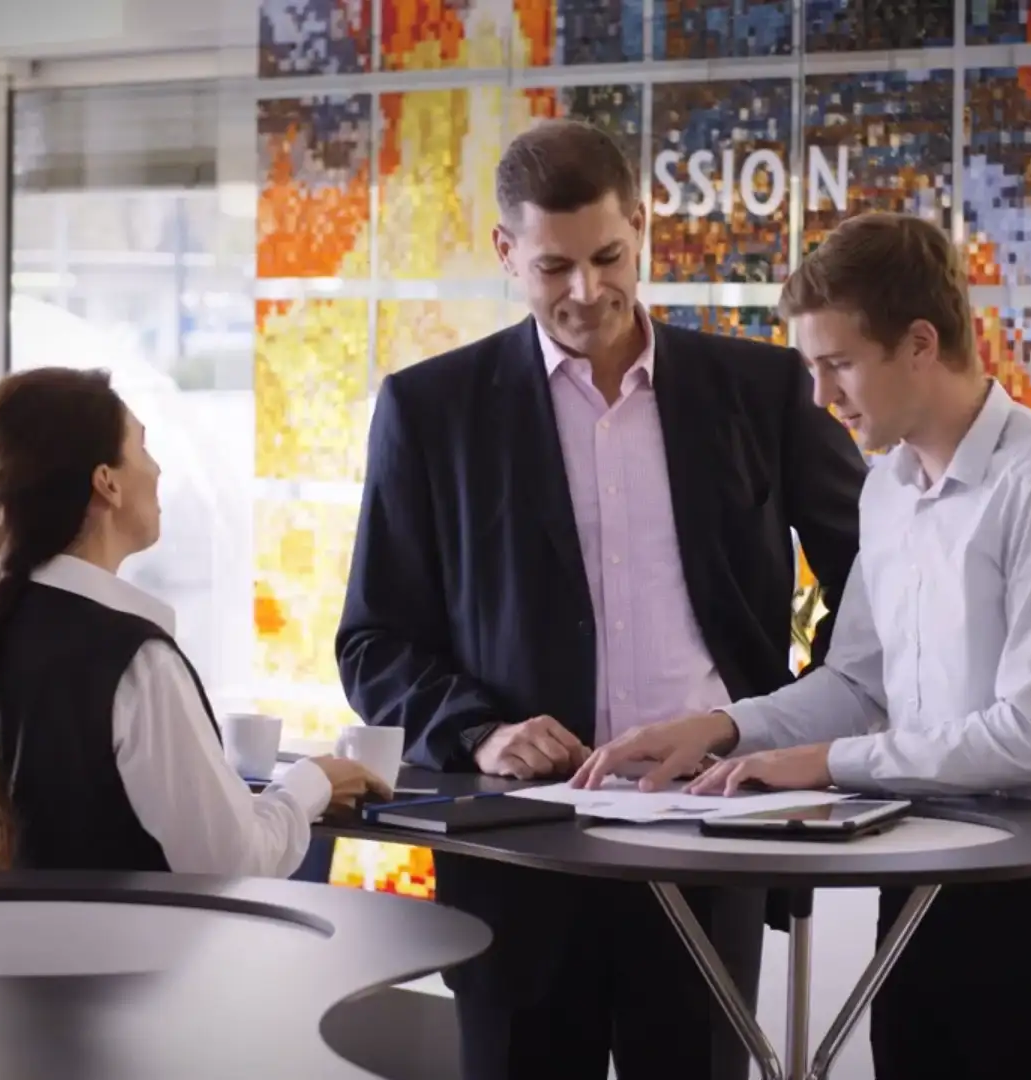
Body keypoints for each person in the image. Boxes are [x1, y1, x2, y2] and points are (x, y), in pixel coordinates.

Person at [335, 119, 866, 1080]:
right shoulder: (430, 411)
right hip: (518, 855)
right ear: (506, 253)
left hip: (711, 837)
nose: (588, 292)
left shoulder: (761, 387)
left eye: (609, 257)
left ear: (642, 222)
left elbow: (880, 578)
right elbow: (373, 641)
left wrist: (789, 726)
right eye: (554, 269)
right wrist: (477, 732)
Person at [573, 211, 1031, 1079]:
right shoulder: (888, 487)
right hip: (919, 888)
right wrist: (722, 728)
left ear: (921, 343)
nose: (819, 396)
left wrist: (828, 764)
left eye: (838, 364)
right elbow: (859, 683)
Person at [0, 367, 390, 875]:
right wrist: (311, 783)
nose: (158, 469)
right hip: (132, 955)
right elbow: (235, 861)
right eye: (143, 448)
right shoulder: (137, 660)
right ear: (107, 484)